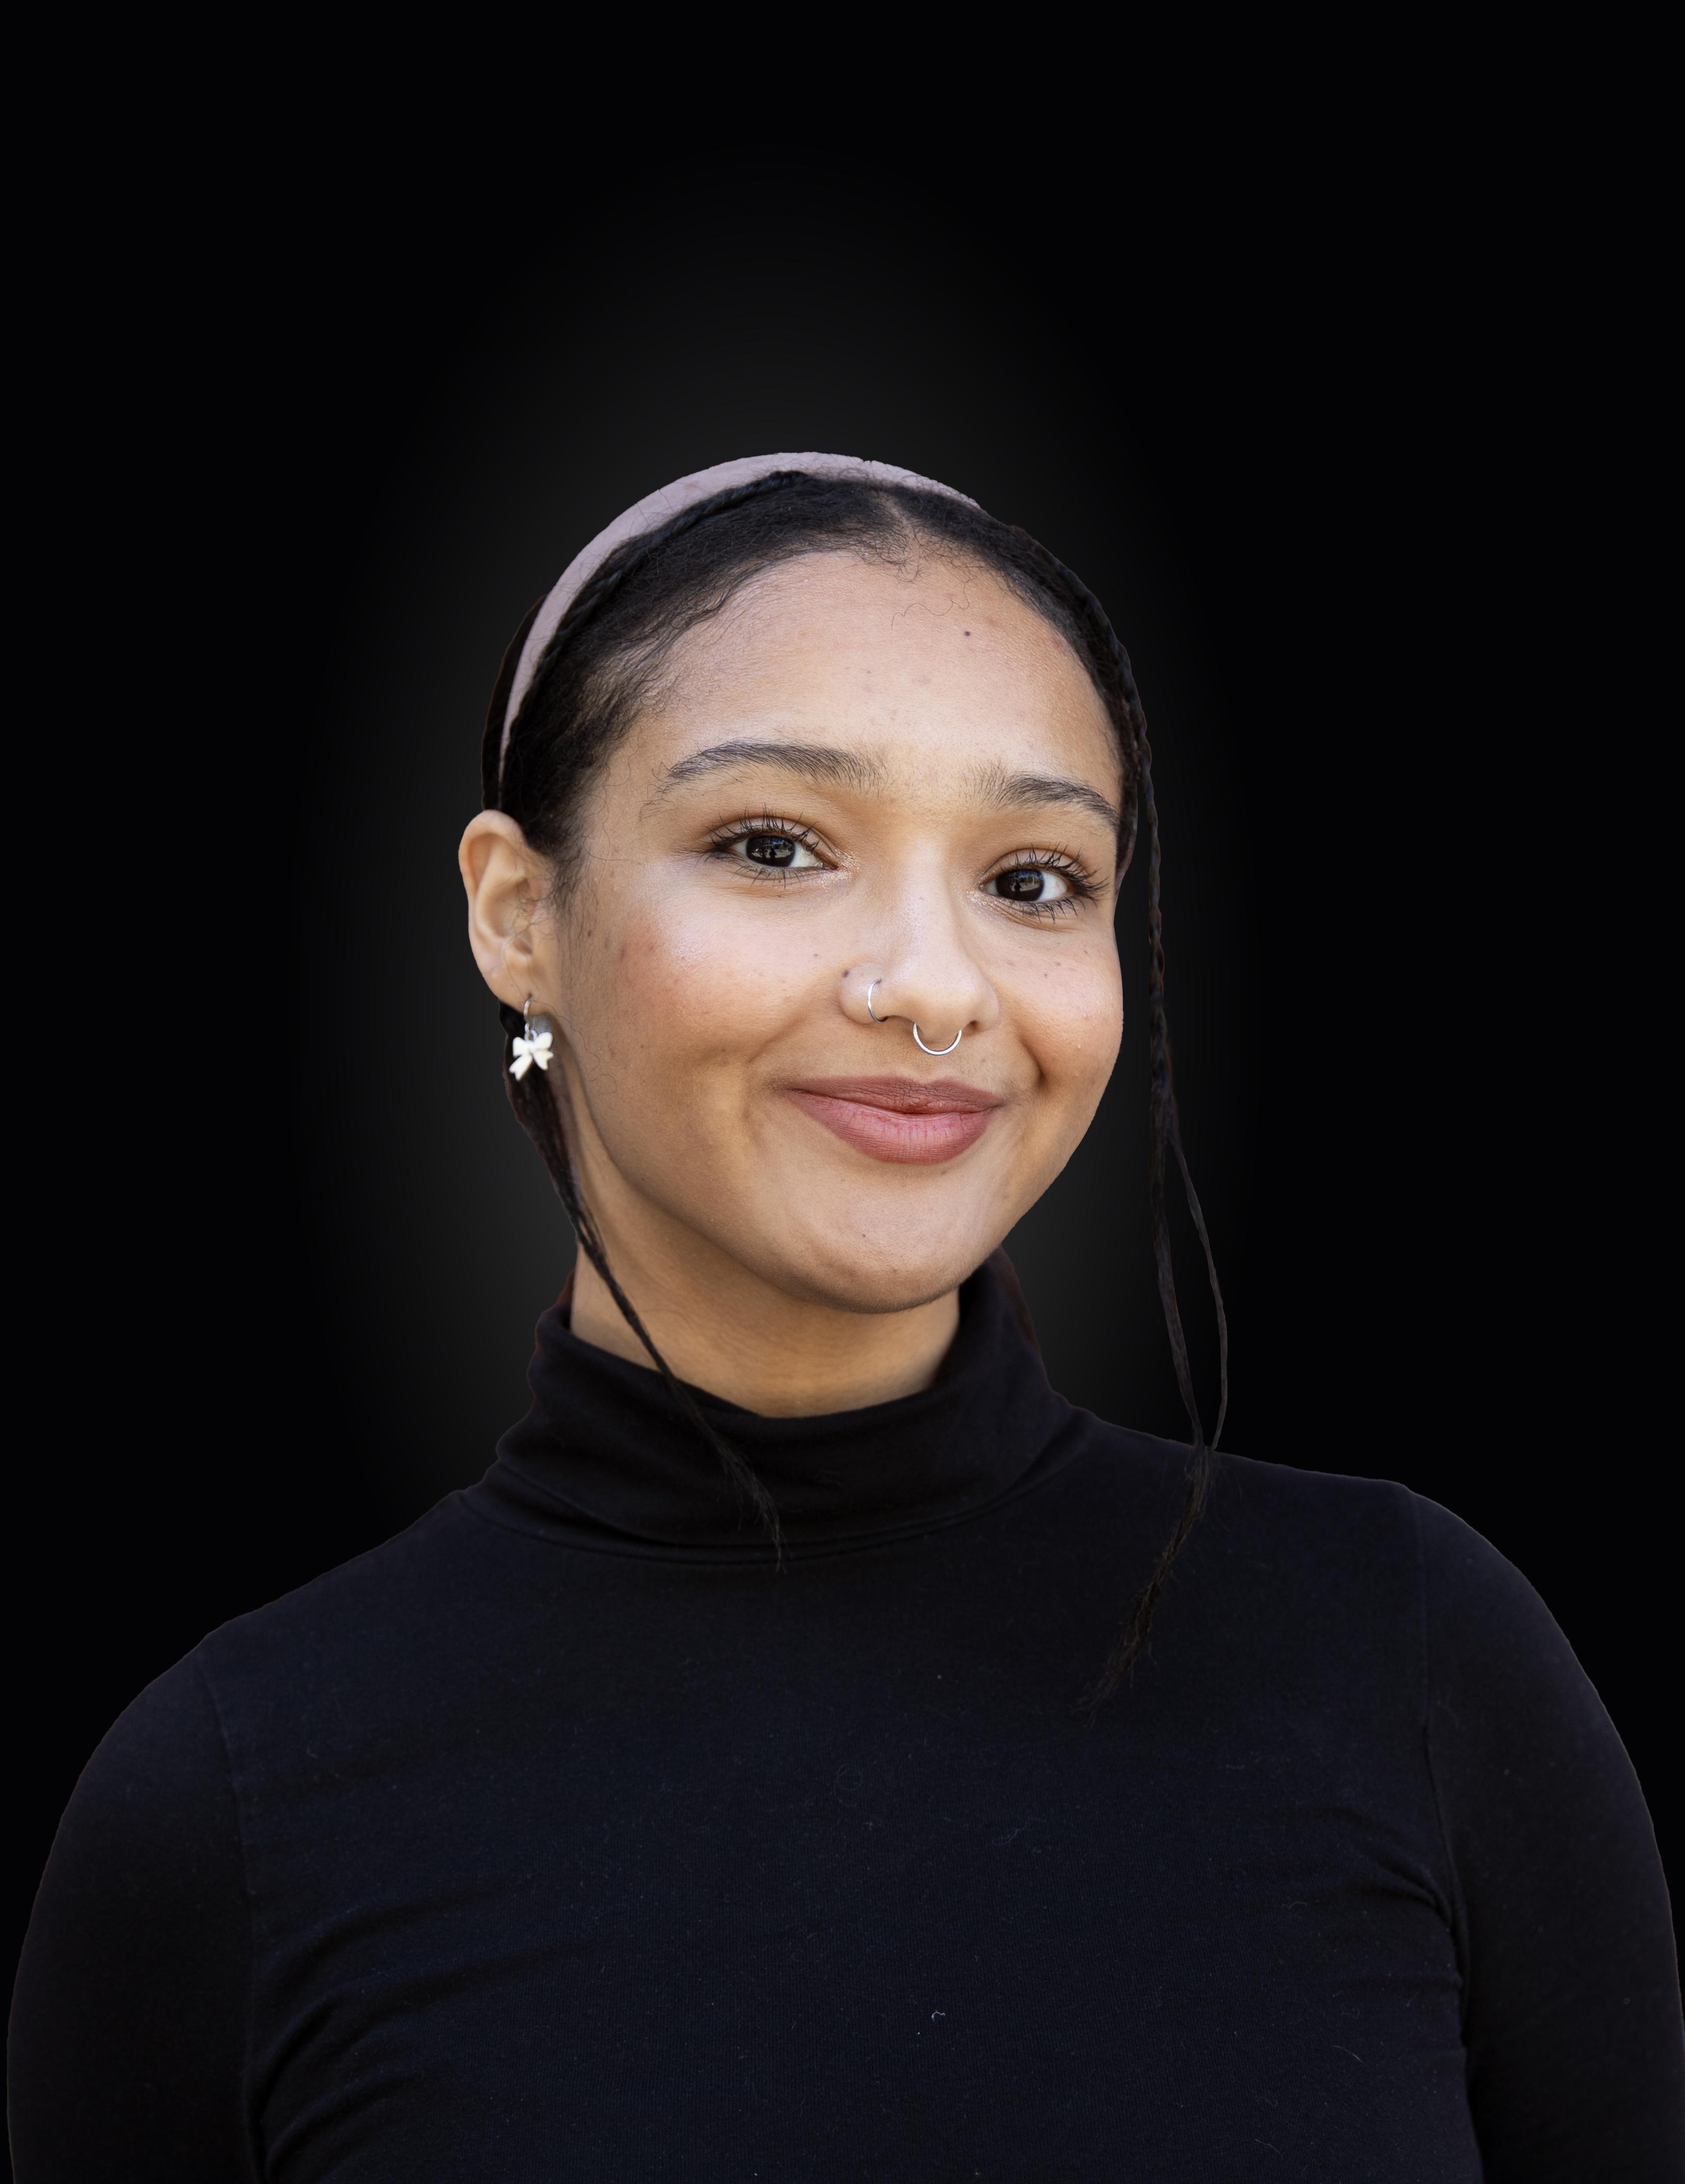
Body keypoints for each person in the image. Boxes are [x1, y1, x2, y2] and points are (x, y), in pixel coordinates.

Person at [10, 456, 1682, 2178]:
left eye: (1034, 879)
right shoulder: (230, 1802)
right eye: (772, 846)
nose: (935, 986)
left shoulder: (1412, 1659)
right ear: (519, 915)